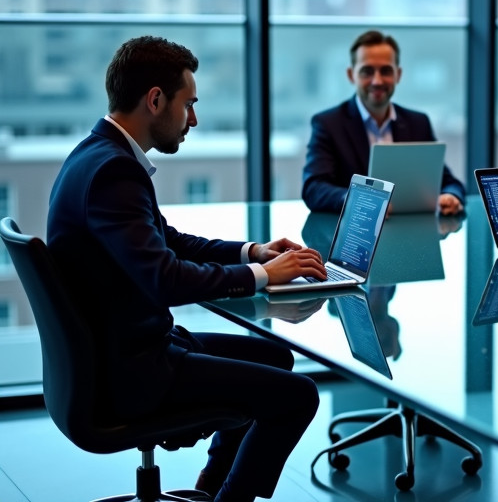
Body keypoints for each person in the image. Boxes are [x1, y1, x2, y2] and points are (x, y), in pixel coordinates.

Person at [47, 36, 328, 502]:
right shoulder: (114, 172)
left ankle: (211, 488)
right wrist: (265, 277)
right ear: (155, 100)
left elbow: (167, 241)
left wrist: (251, 253)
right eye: (189, 105)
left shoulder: (97, 154)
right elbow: (166, 278)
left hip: (120, 351)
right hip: (132, 372)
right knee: (299, 396)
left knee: (275, 358)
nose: (193, 120)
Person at [301, 29, 466, 215]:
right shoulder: (328, 124)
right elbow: (313, 189)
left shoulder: (418, 122)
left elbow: (448, 182)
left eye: (386, 71)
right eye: (367, 71)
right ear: (351, 75)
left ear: (398, 75)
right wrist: (356, 200)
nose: (377, 81)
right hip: (356, 236)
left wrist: (451, 196)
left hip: (410, 233)